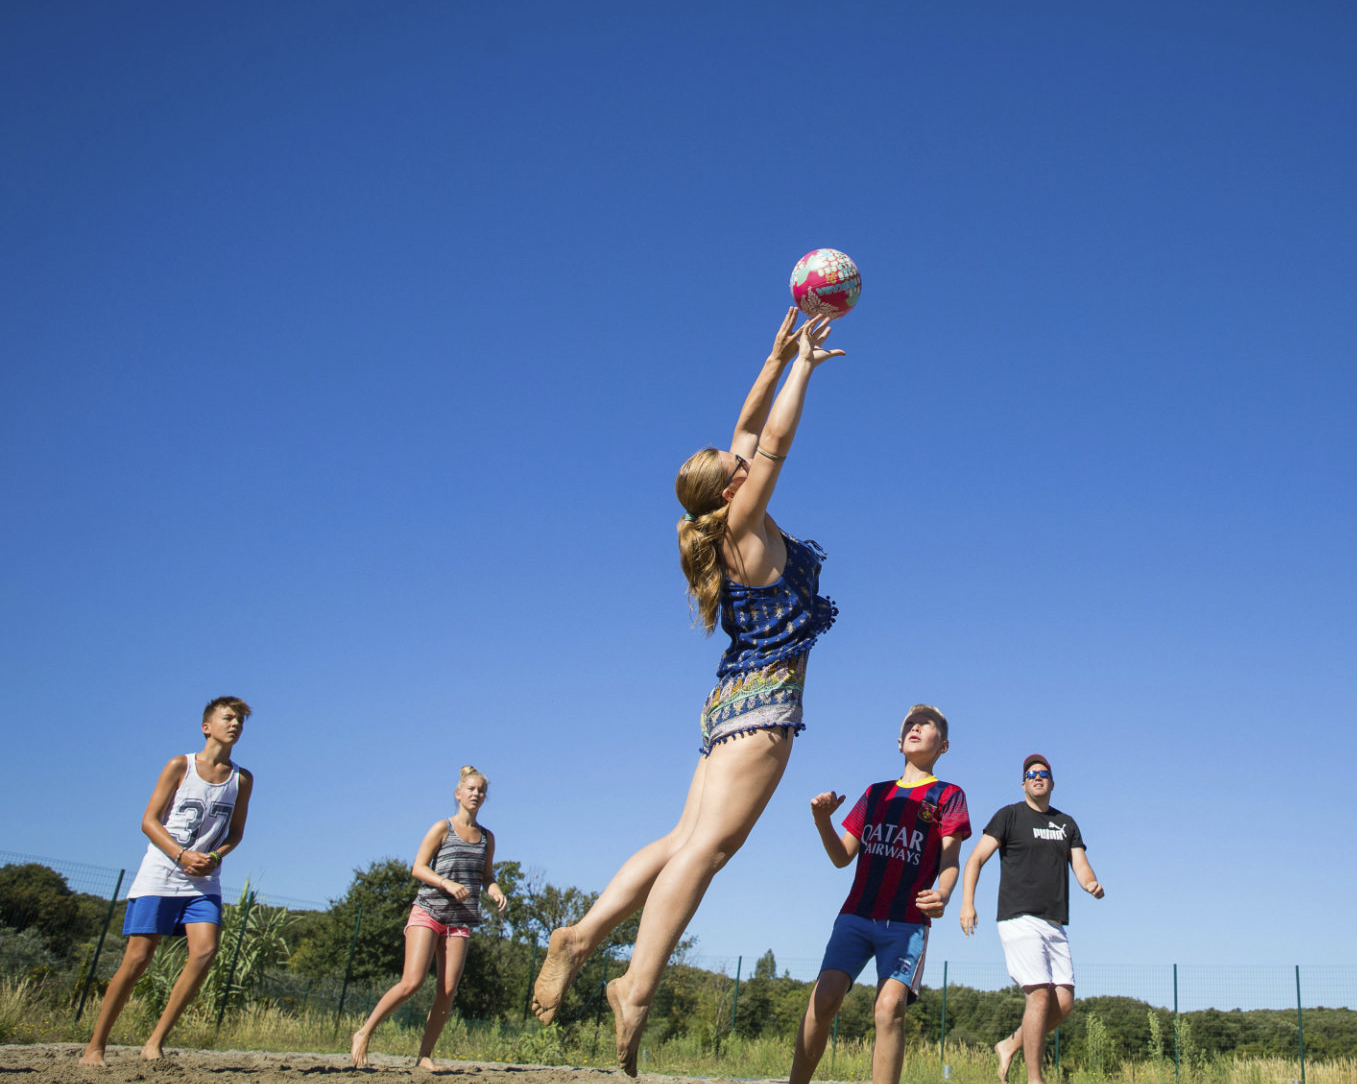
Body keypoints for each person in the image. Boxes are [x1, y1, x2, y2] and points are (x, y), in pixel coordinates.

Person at [530, 308, 845, 1075]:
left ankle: (581, 934)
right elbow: (773, 440)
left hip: (729, 702)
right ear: (731, 486)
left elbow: (748, 429)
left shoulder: (725, 523)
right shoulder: (744, 521)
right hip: (764, 706)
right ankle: (635, 986)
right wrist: (805, 367)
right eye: (739, 466)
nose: (747, 459)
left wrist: (773, 359)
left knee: (683, 840)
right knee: (707, 850)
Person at [787, 706, 971, 1084]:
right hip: (856, 915)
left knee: (889, 1009)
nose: (916, 727)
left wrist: (945, 892)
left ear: (944, 745)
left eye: (927, 724)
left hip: (907, 923)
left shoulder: (949, 795)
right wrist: (822, 821)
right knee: (824, 998)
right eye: (910, 724)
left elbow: (951, 859)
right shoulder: (875, 794)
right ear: (899, 742)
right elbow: (842, 857)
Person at [80, 697, 255, 1066]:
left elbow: (236, 833)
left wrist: (216, 857)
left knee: (205, 951)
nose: (235, 724)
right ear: (206, 727)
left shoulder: (242, 779)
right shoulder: (180, 765)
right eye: (228, 718)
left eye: (240, 720)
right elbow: (149, 821)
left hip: (204, 883)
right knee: (137, 959)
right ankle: (95, 1046)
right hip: (160, 874)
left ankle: (155, 1042)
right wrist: (180, 854)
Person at [350, 766, 508, 1072]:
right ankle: (364, 1032)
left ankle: (424, 1055)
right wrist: (446, 883)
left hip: (460, 919)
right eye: (471, 789)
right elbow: (418, 868)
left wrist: (495, 889)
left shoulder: (487, 838)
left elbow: (487, 875)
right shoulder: (442, 828)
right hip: (429, 910)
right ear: (458, 794)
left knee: (447, 992)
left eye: (481, 791)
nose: (476, 794)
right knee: (412, 982)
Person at [960, 753, 1105, 1084]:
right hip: (1018, 917)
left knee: (1063, 1003)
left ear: (1052, 783)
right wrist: (968, 903)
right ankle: (1034, 1079)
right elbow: (976, 859)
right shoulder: (1009, 816)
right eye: (1030, 774)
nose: (1037, 777)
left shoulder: (1066, 823)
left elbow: (1081, 865)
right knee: (1038, 995)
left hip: (1055, 922)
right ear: (1023, 783)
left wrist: (1091, 883)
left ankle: (1009, 1045)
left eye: (1043, 773)